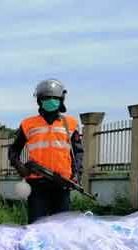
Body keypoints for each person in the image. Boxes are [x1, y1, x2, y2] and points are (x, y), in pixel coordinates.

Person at [8, 78, 84, 223]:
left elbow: (78, 152)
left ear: (61, 100)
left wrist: (76, 175)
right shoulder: (28, 124)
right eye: (46, 98)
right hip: (37, 185)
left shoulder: (71, 124)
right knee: (36, 227)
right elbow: (13, 151)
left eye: (55, 98)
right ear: (39, 100)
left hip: (62, 183)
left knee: (62, 228)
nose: (51, 101)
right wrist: (21, 168)